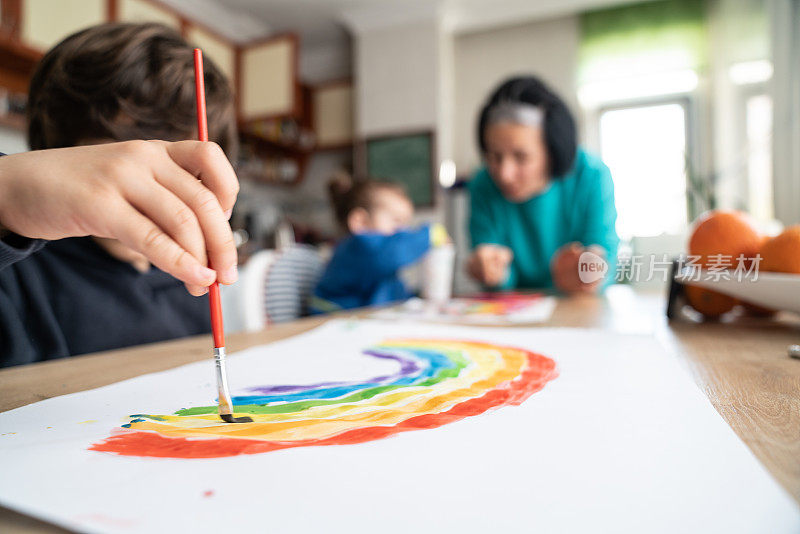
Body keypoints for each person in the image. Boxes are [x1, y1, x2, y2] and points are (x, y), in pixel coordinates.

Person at [0, 23, 239, 366]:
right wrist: (8, 190)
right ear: (63, 154)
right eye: (120, 150)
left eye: (180, 163)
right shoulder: (16, 270)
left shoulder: (187, 277)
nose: (153, 181)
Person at [467, 76, 619, 294]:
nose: (504, 174)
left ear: (552, 151)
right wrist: (490, 270)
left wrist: (589, 273)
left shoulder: (592, 175)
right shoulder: (482, 184)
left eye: (521, 157)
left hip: (581, 310)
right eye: (494, 156)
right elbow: (499, 278)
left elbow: (605, 256)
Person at [312, 175, 448, 312]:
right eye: (396, 222)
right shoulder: (357, 248)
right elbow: (395, 252)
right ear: (361, 222)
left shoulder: (382, 264)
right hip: (331, 318)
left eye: (406, 224)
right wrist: (430, 234)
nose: (404, 232)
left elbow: (394, 294)